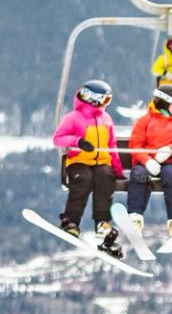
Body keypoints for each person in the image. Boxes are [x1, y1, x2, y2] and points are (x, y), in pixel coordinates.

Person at [52, 77, 124, 251]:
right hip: (79, 161)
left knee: (105, 178)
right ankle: (71, 221)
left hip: (101, 161)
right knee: (83, 181)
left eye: (109, 99)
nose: (107, 104)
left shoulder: (106, 118)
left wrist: (117, 169)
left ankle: (102, 221)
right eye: (105, 99)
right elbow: (58, 139)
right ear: (94, 98)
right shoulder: (74, 118)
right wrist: (78, 142)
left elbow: (111, 144)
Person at [126, 84, 172, 232]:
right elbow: (135, 145)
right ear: (164, 101)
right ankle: (135, 216)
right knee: (139, 175)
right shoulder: (145, 120)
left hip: (168, 162)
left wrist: (171, 150)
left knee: (171, 176)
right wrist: (147, 160)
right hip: (147, 161)